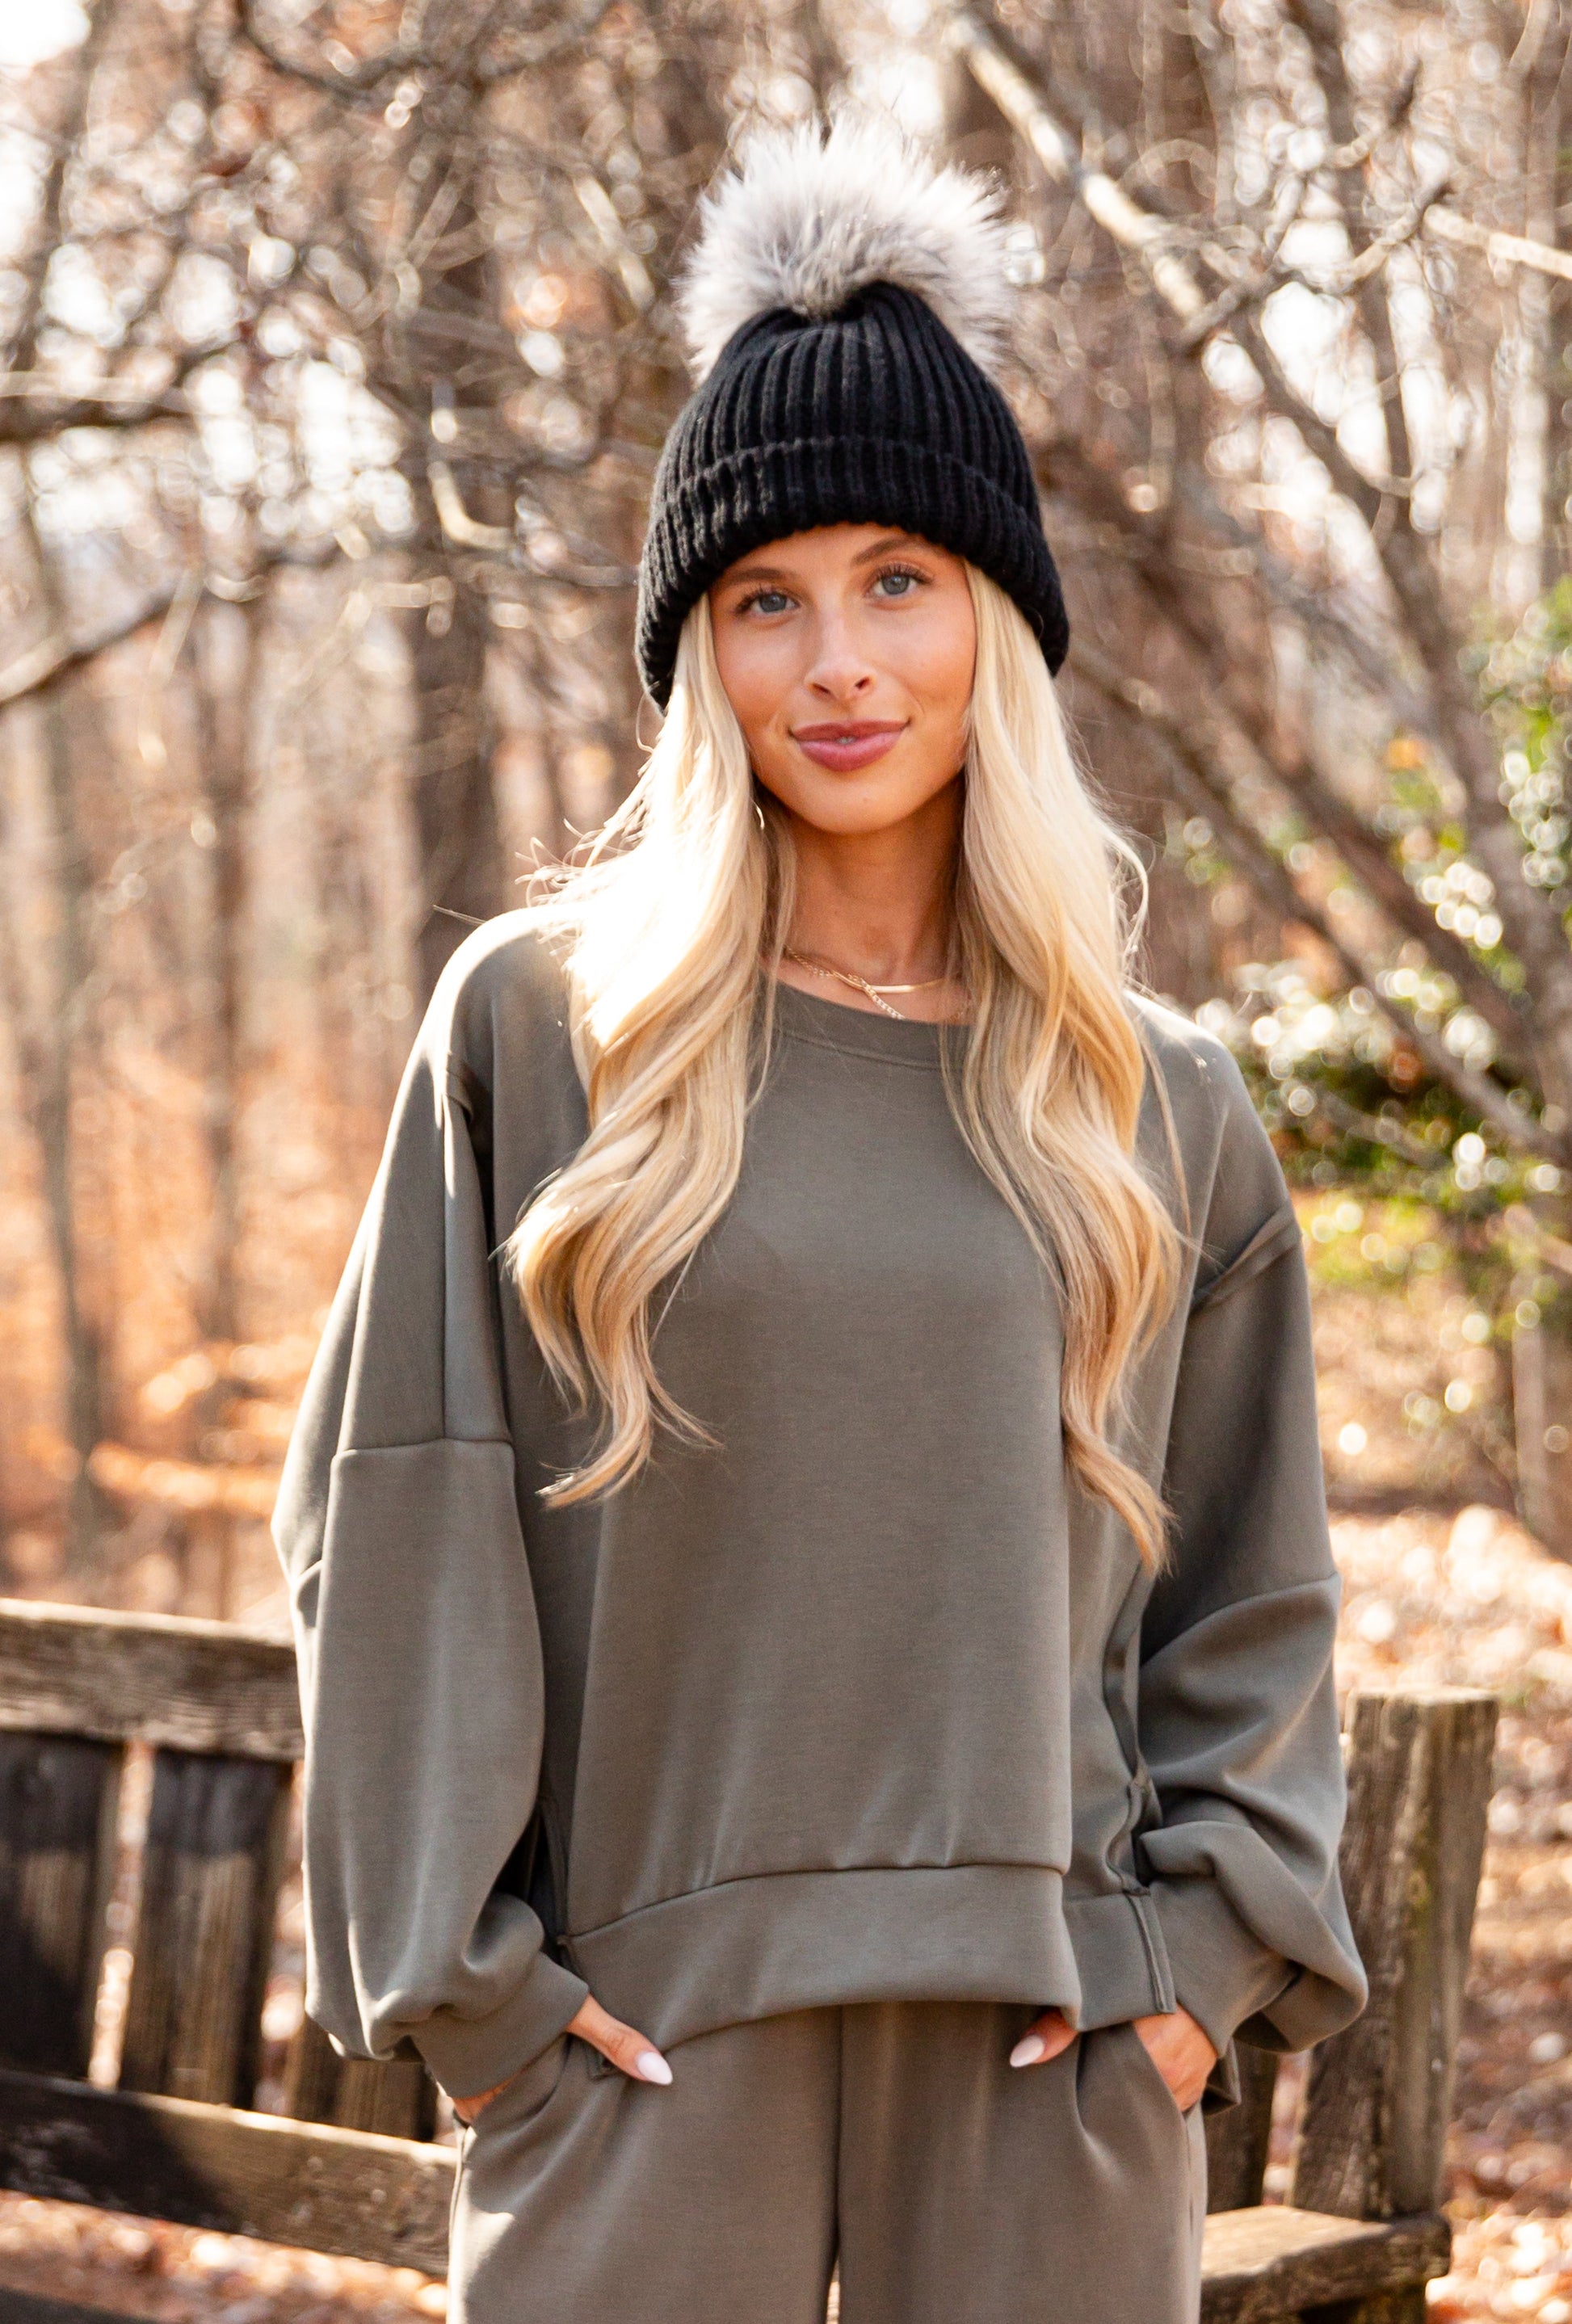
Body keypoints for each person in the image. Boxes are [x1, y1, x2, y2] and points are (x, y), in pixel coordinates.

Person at [273, 115, 1366, 2324]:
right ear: (695, 658)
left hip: (1052, 2050)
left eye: (896, 582)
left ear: (995, 622)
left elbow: (1253, 1594)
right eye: (761, 599)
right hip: (639, 2050)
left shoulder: (1159, 1103)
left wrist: (1196, 1959)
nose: (835, 662)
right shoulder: (541, 1029)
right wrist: (472, 2000)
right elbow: (393, 1517)